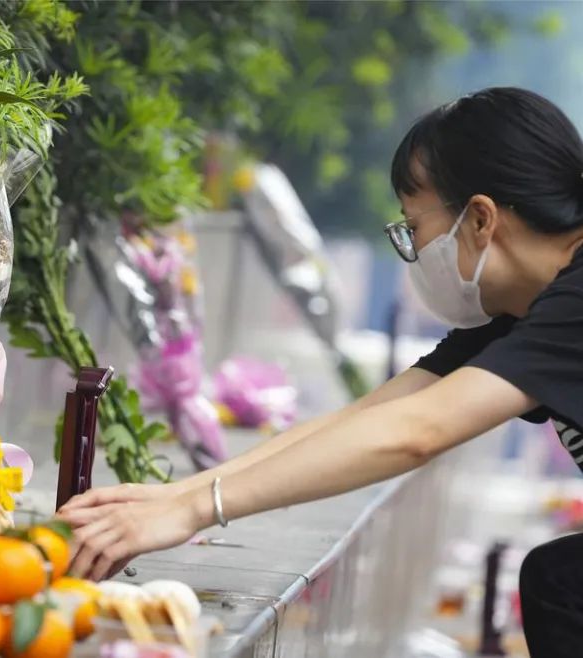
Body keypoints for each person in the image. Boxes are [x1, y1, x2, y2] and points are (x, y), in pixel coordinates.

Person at [58, 87, 583, 657]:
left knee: (560, 579)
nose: (413, 248)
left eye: (413, 225)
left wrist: (194, 507)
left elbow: (417, 432)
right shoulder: (528, 308)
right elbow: (371, 416)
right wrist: (170, 499)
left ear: (480, 218)